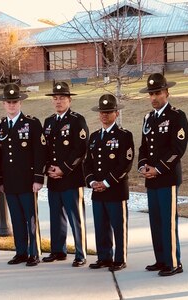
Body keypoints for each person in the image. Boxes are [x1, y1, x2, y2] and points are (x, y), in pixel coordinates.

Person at [138, 73, 188, 276]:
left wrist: (157, 168)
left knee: (168, 222)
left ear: (167, 92)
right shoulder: (148, 118)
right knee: (156, 221)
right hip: (151, 180)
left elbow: (177, 148)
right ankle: (161, 260)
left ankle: (174, 262)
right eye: (151, 93)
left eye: (157, 92)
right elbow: (143, 148)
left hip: (167, 178)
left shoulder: (177, 116)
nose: (154, 97)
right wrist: (143, 167)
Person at [0, 83, 46, 267]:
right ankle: (21, 252)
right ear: (3, 104)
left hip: (27, 181)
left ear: (20, 103)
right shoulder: (0, 125)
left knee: (30, 218)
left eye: (14, 101)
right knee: (16, 219)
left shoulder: (31, 123)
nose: (11, 105)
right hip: (9, 182)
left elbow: (39, 152)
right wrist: (0, 180)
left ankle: (34, 253)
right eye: (8, 102)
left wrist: (38, 178)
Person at [84, 94, 134, 272]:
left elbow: (125, 164)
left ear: (116, 113)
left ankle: (120, 258)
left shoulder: (124, 135)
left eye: (108, 112)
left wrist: (106, 182)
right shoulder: (95, 136)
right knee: (101, 226)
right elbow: (87, 163)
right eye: (102, 112)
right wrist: (91, 182)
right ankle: (104, 257)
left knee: (118, 227)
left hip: (115, 190)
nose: (104, 115)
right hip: (97, 191)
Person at [42, 82, 88, 267]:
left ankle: (81, 253)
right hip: (54, 179)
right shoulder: (49, 122)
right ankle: (58, 251)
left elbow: (81, 149)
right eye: (55, 98)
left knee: (75, 218)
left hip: (71, 178)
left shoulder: (77, 120)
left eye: (62, 98)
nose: (58, 101)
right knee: (55, 217)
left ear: (69, 100)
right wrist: (48, 169)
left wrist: (64, 168)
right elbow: (44, 149)